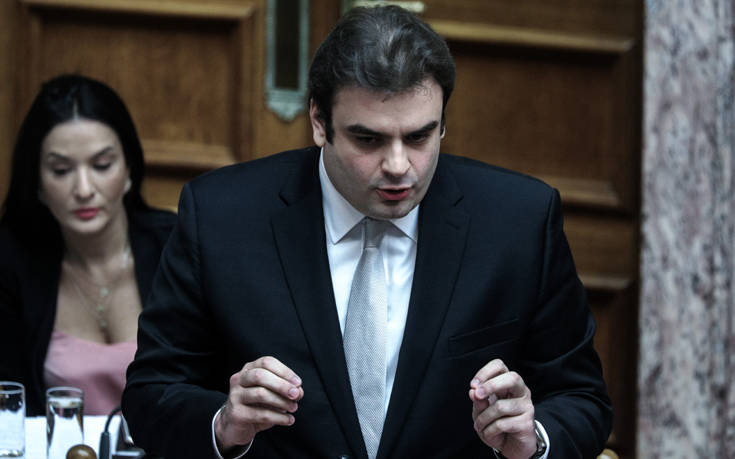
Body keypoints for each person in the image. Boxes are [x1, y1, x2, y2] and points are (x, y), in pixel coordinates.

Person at [123, 5, 612, 459]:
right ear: (319, 122)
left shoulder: (519, 221)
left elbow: (582, 398)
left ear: (443, 124)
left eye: (419, 136)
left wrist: (534, 439)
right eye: (368, 139)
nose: (399, 166)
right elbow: (150, 395)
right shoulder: (221, 217)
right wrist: (224, 424)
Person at [0, 74, 176, 416]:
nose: (83, 189)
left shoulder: (176, 246)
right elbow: (9, 403)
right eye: (61, 170)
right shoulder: (10, 262)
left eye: (101, 165)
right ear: (37, 183)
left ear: (128, 169)